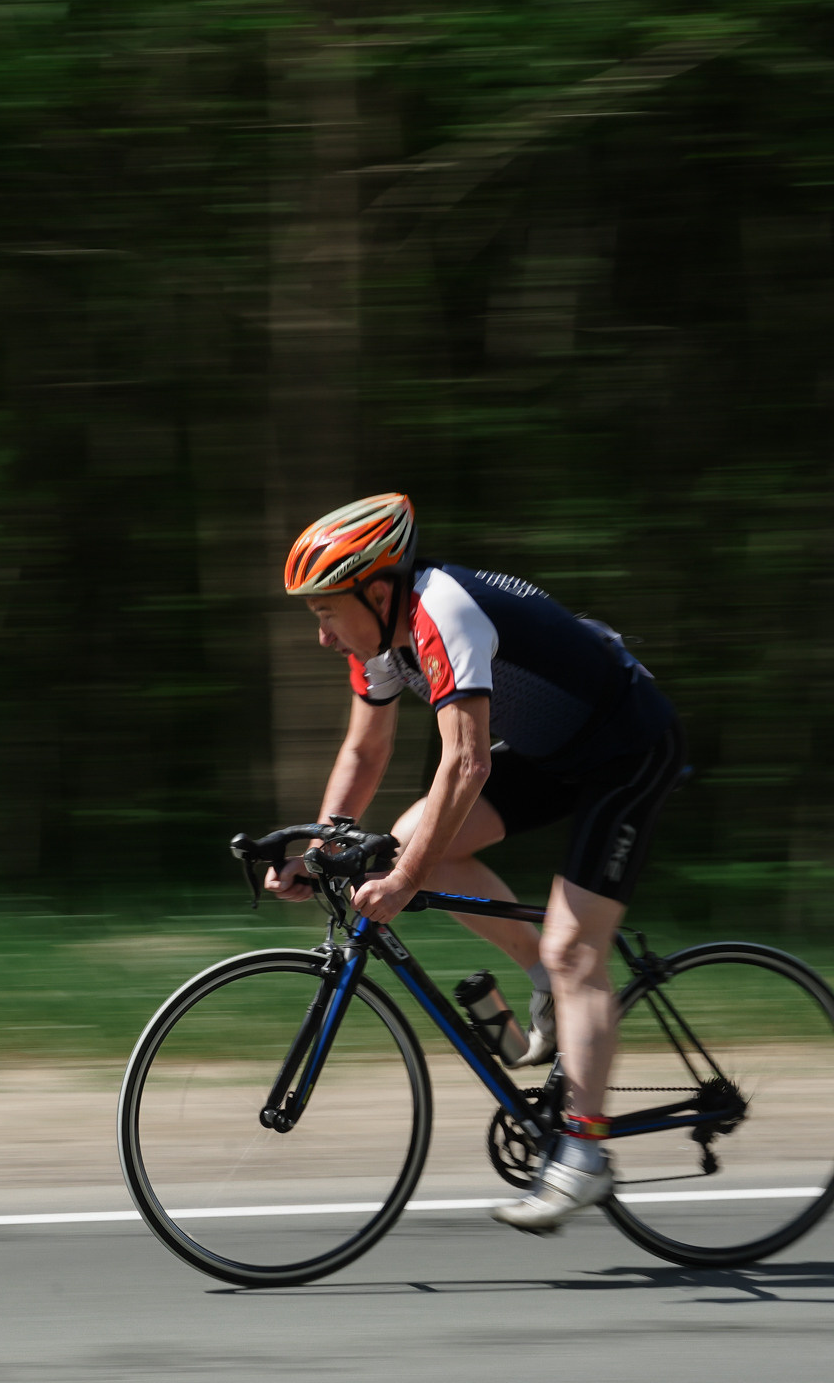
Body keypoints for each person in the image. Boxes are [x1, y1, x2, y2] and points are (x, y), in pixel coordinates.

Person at [265, 492, 685, 1230]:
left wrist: (400, 881)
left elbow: (464, 766)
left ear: (379, 589)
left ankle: (585, 1155)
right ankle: (544, 989)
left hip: (628, 746)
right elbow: (366, 751)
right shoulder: (382, 645)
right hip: (555, 753)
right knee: (413, 841)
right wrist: (323, 848)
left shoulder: (444, 613)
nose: (324, 637)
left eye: (328, 612)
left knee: (574, 948)